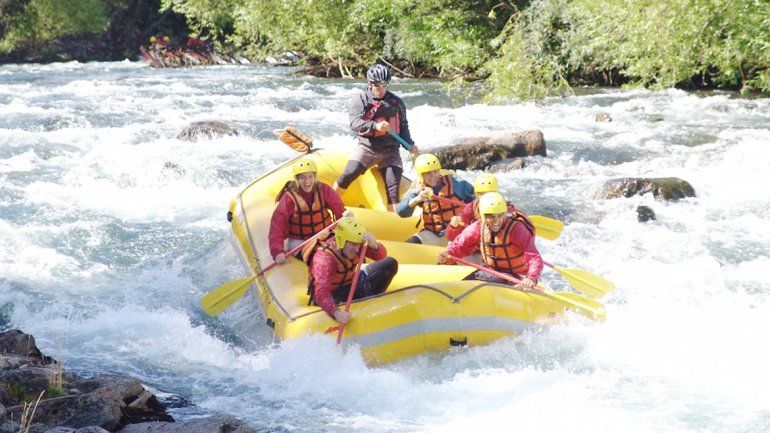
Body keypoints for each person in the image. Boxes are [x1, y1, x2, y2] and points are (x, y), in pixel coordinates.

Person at [333, 63, 419, 212]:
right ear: (369, 84)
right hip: (368, 147)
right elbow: (355, 123)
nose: (381, 89)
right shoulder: (360, 100)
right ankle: (329, 204)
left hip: (391, 152)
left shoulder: (397, 103)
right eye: (377, 85)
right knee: (348, 174)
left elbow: (403, 127)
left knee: (393, 189)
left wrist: (410, 144)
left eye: (384, 85)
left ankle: (393, 224)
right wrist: (375, 126)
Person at [438, 192, 542, 290]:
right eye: (491, 216)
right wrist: (448, 254)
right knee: (469, 282)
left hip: (517, 277)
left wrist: (531, 278)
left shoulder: (517, 229)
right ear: (483, 216)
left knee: (486, 280)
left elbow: (534, 257)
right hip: (491, 272)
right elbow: (459, 246)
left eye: (500, 215)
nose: (496, 221)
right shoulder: (478, 227)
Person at [303, 217, 398, 324]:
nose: (357, 249)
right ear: (341, 240)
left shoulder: (353, 243)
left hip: (350, 284)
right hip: (332, 295)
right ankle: (365, 303)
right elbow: (322, 292)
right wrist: (336, 312)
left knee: (390, 264)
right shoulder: (324, 259)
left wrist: (374, 245)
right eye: (353, 245)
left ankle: (372, 301)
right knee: (338, 299)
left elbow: (381, 256)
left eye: (358, 244)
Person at [268, 157, 347, 265]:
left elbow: (339, 210)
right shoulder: (289, 198)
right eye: (302, 178)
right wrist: (277, 251)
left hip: (324, 235)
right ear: (296, 179)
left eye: (310, 177)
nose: (307, 181)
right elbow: (277, 227)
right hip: (301, 242)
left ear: (315, 177)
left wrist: (346, 217)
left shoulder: (324, 190)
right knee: (325, 257)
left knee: (348, 250)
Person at [396, 153, 475, 245]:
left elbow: (475, 200)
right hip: (434, 234)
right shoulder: (419, 190)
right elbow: (401, 212)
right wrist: (416, 200)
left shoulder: (455, 184)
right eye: (428, 173)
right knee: (409, 244)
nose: (433, 176)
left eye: (435, 171)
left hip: (457, 232)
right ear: (421, 175)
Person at [445, 173, 533, 242]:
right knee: (451, 245)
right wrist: (453, 227)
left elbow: (526, 232)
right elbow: (452, 238)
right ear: (476, 194)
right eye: (482, 194)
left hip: (498, 253)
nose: (486, 197)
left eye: (490, 193)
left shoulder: (507, 209)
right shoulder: (471, 208)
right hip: (478, 252)